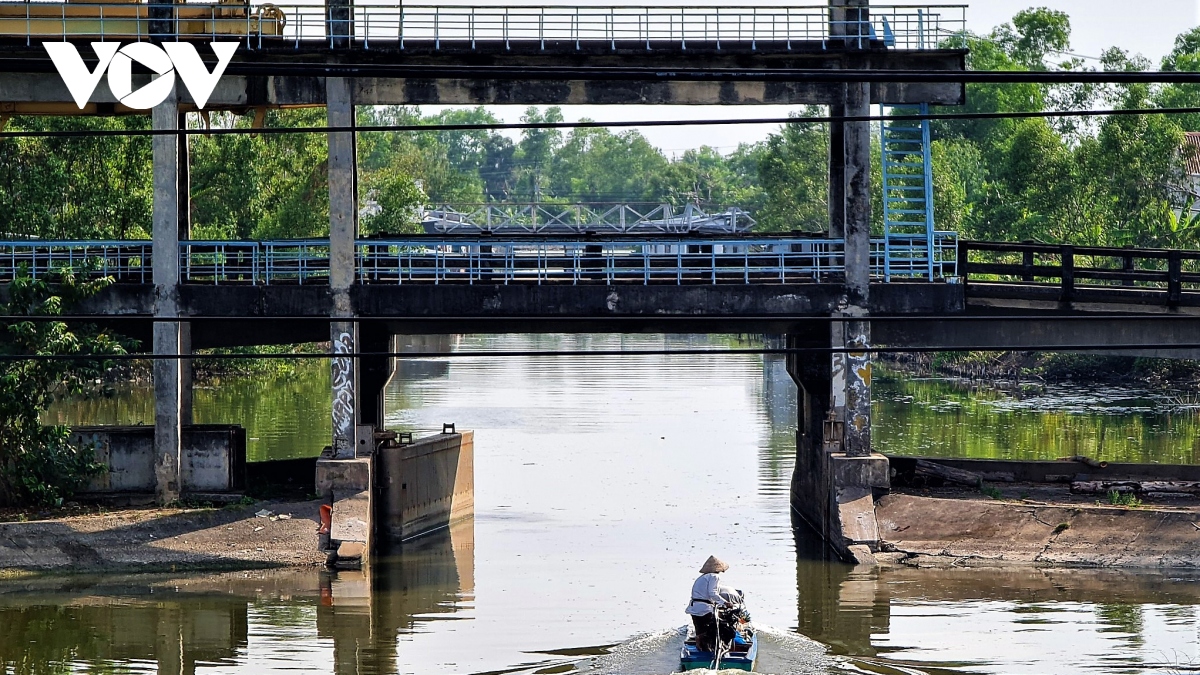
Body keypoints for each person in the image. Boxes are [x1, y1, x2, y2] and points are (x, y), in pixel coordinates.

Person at [685, 555, 741, 652]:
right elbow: (713, 593)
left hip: (694, 608)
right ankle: (718, 649)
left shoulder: (702, 578)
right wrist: (725, 603)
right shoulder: (715, 576)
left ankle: (700, 645)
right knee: (717, 628)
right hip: (704, 609)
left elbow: (706, 594)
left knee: (699, 631)